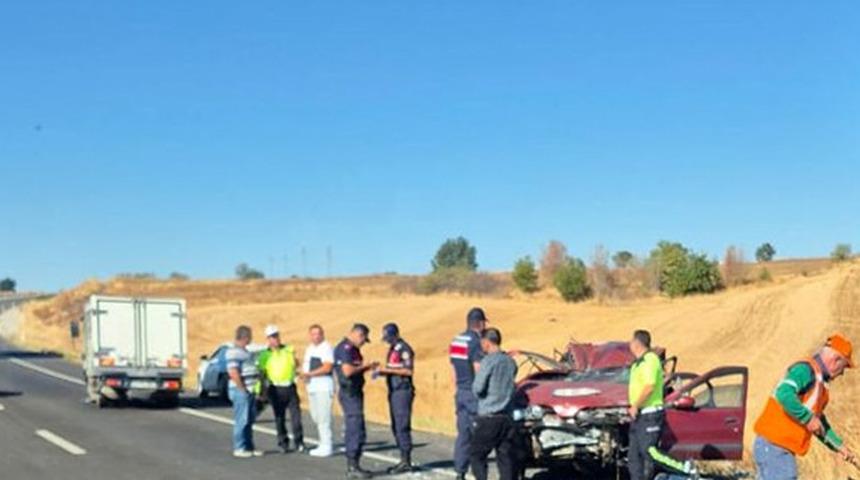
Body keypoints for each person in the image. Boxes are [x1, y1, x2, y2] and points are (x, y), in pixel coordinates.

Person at [753, 334, 857, 479]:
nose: (842, 373)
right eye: (844, 367)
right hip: (774, 446)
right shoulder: (805, 370)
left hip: (775, 448)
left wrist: (839, 446)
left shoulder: (818, 383)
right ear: (835, 360)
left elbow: (818, 424)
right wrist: (808, 419)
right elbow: (783, 393)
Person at [627, 329, 696, 480]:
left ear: (637, 343)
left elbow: (649, 386)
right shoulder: (636, 364)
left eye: (631, 341)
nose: (629, 344)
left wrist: (636, 405)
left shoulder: (650, 360)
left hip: (650, 413)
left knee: (649, 451)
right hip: (638, 416)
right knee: (634, 457)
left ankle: (685, 467)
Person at [470, 327, 518, 480]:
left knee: (476, 454)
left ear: (486, 342)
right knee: (505, 457)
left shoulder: (488, 361)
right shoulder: (510, 362)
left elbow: (478, 388)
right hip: (507, 417)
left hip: (489, 416)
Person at [334, 323, 379, 479]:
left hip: (355, 392)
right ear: (357, 334)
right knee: (355, 427)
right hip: (349, 393)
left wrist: (366, 368)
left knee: (358, 427)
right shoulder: (345, 348)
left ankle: (355, 464)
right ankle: (352, 466)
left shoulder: (353, 349)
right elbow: (347, 371)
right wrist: (365, 366)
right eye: (363, 339)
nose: (363, 343)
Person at [449, 307, 488, 480]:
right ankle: (479, 473)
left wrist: (456, 389)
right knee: (479, 435)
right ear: (479, 323)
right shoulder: (475, 342)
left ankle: (460, 471)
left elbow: (453, 369)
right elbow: (478, 368)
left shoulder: (457, 340)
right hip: (473, 393)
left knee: (463, 433)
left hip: (461, 392)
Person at [257, 324, 305, 454]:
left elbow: (296, 364)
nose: (276, 339)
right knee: (279, 418)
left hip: (289, 387)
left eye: (277, 336)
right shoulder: (264, 355)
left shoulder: (289, 350)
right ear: (268, 339)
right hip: (275, 388)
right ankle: (283, 442)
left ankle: (299, 441)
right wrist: (262, 392)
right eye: (272, 337)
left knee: (296, 417)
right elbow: (262, 374)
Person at [375, 322, 416, 474]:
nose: (388, 341)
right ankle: (403, 458)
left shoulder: (404, 349)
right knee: (395, 425)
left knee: (402, 425)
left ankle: (406, 460)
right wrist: (382, 372)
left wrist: (387, 370)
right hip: (393, 390)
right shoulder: (392, 349)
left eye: (390, 338)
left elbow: (408, 371)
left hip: (402, 391)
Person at [226, 325, 263, 458]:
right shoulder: (233, 352)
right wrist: (242, 388)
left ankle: (249, 446)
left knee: (249, 419)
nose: (251, 339)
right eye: (250, 336)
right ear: (245, 337)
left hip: (250, 389)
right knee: (242, 419)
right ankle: (239, 447)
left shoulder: (245, 351)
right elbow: (233, 372)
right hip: (241, 389)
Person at [301, 323, 335, 458]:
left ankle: (327, 445)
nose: (316, 336)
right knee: (315, 416)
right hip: (312, 387)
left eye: (318, 334)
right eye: (313, 334)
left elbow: (327, 367)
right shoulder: (309, 349)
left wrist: (310, 374)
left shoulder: (326, 348)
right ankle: (322, 442)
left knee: (323, 417)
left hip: (323, 387)